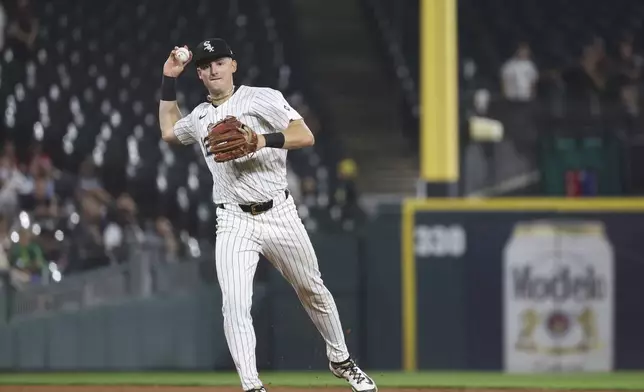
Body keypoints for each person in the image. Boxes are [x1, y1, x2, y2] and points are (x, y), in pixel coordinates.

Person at [158, 38, 377, 392]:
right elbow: (169, 131)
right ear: (198, 74)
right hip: (233, 220)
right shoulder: (199, 117)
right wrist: (169, 79)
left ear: (233, 65)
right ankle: (252, 385)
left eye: (219, 61)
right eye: (206, 65)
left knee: (313, 290)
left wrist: (261, 140)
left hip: (280, 212)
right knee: (234, 305)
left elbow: (304, 135)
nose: (214, 69)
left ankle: (341, 361)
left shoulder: (262, 97)